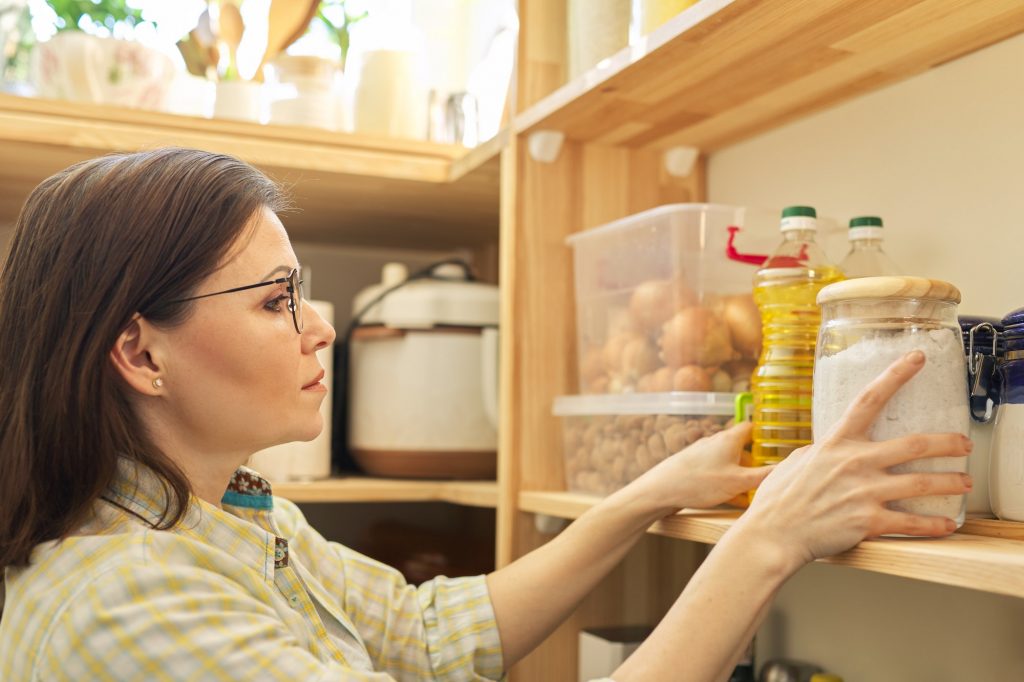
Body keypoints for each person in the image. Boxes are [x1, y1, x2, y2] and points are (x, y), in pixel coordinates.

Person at [0, 148, 971, 681]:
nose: (319, 328)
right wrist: (765, 542)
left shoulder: (220, 514)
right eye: (273, 300)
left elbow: (429, 634)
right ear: (139, 352)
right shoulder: (127, 601)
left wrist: (643, 496)